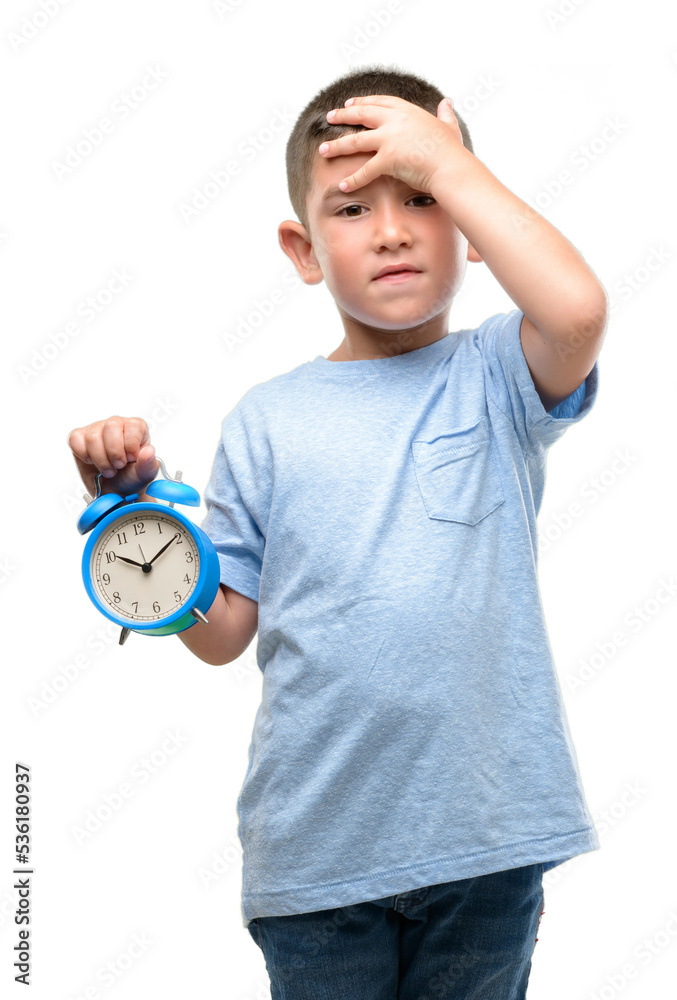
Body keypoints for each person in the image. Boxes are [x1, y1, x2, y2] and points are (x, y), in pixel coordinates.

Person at [68, 64, 607, 999]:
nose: (392, 229)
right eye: (352, 209)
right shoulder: (265, 419)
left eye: (422, 196)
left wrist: (454, 163)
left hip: (485, 845)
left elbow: (577, 309)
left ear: (469, 226)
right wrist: (141, 521)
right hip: (316, 859)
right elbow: (221, 633)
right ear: (303, 247)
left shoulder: (496, 376)